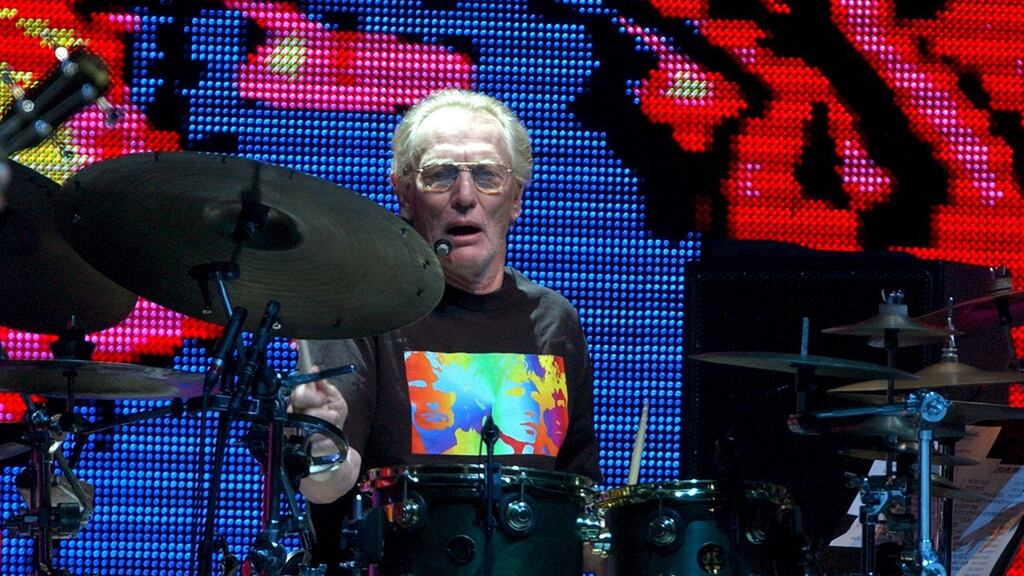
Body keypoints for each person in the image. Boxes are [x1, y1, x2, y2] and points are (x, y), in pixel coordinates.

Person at [288, 89, 603, 568]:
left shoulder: (554, 320)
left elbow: (578, 503)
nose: (464, 196)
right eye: (439, 175)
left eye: (487, 176)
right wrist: (321, 442)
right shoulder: (362, 311)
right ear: (404, 194)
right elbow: (327, 485)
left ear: (516, 198)